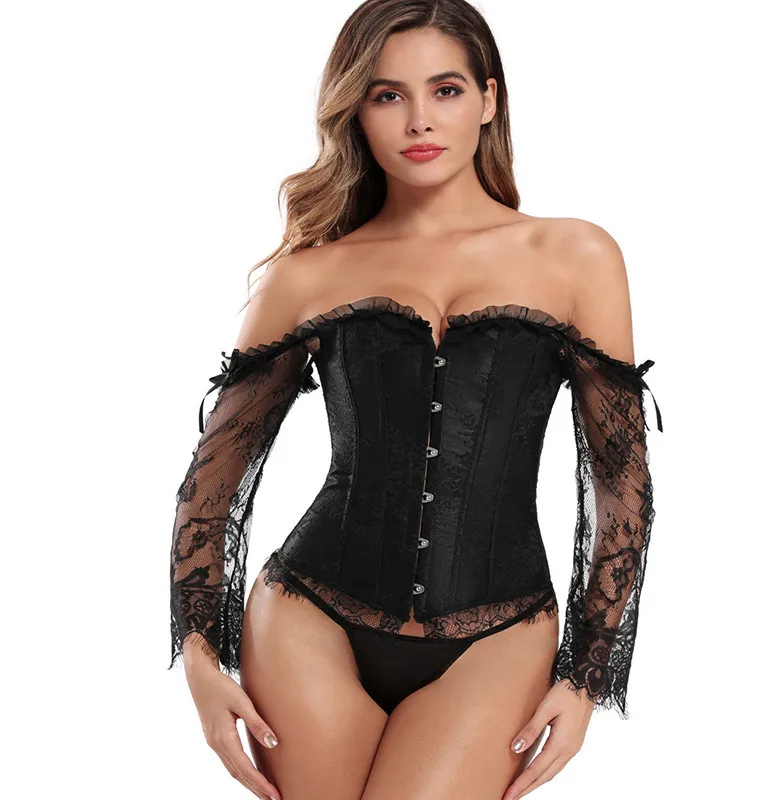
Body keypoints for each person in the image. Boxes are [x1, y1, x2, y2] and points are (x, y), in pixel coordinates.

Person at [168, 2, 663, 798]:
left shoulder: (575, 254)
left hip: (500, 631)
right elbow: (214, 481)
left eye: (446, 90)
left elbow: (620, 481)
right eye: (387, 95)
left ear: (489, 100)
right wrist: (200, 660)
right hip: (310, 615)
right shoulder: (307, 274)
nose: (419, 120)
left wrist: (587, 675)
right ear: (356, 110)